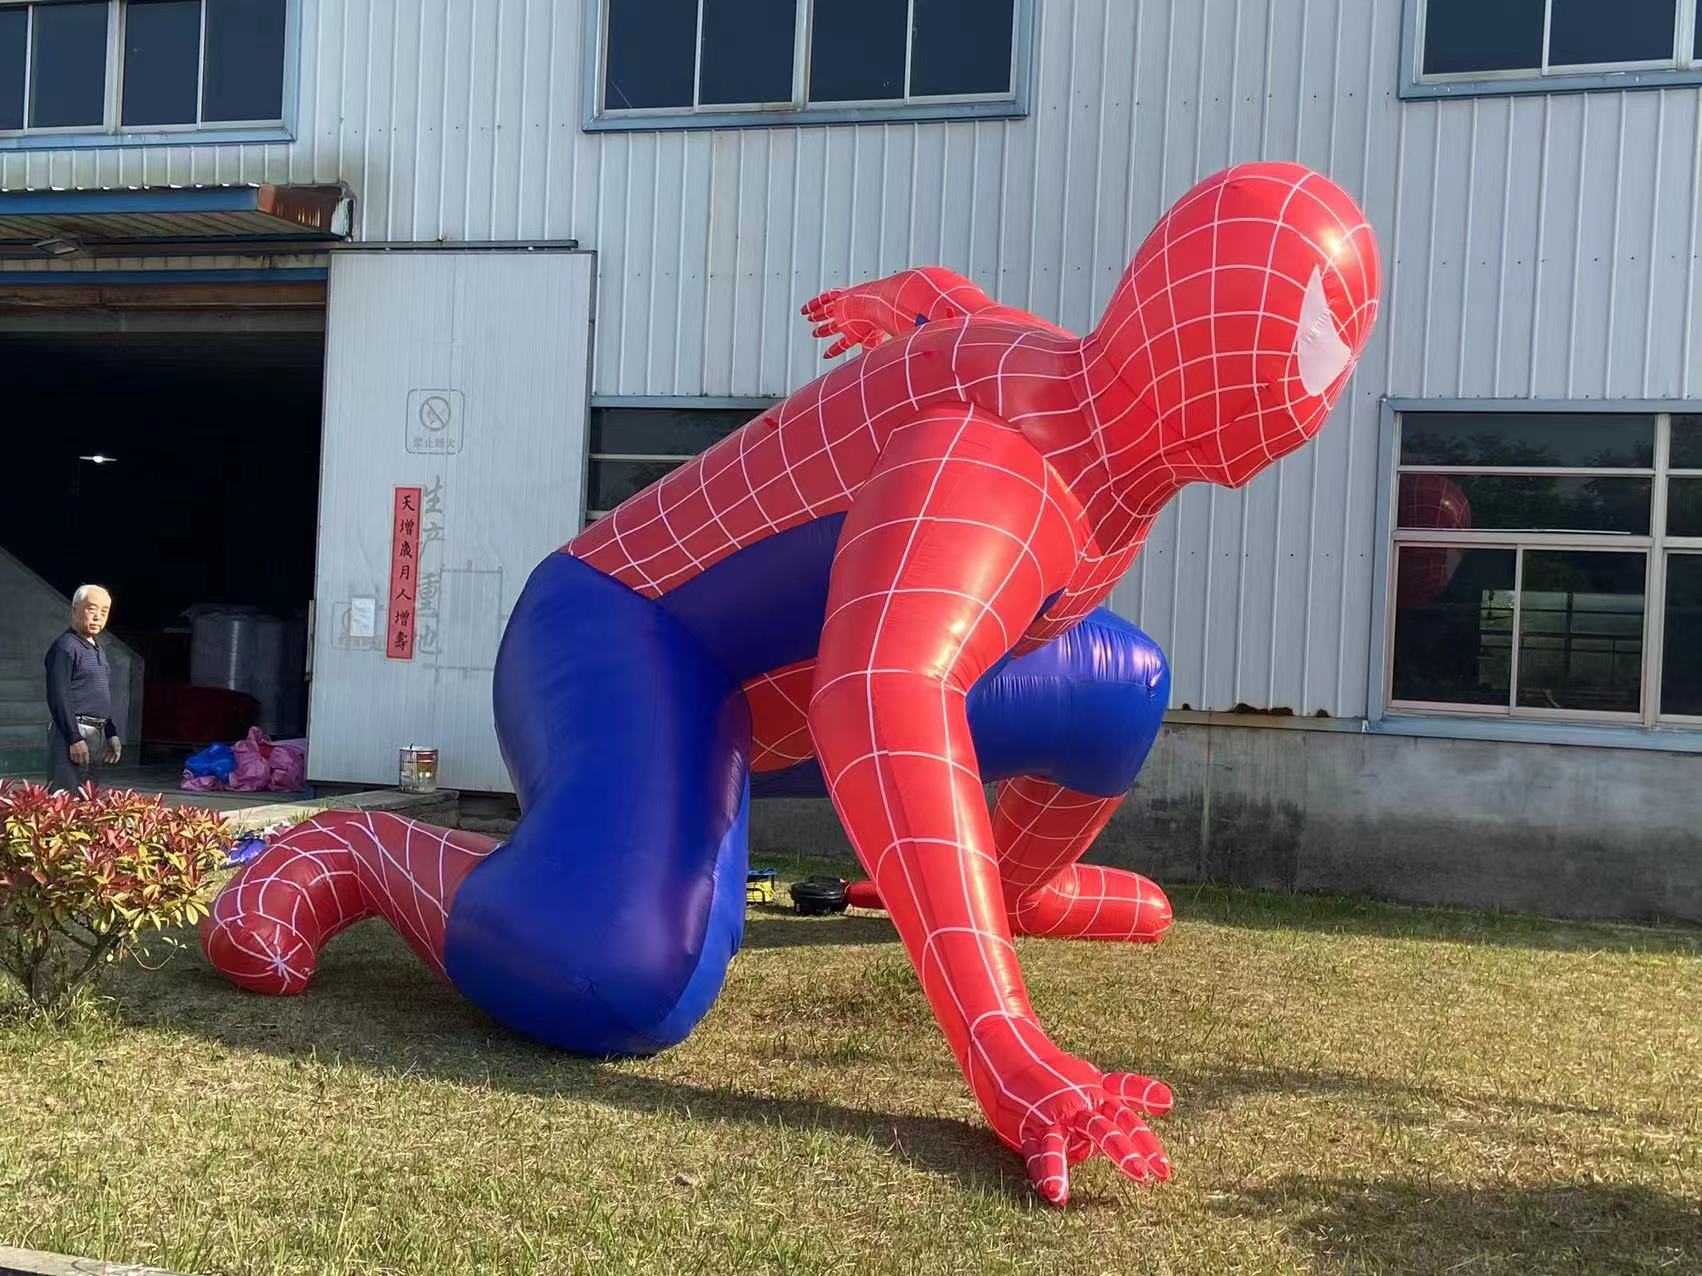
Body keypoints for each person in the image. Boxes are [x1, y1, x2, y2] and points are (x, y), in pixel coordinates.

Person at [203, 163, 1380, 1205]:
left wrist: (896, 302)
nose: (1319, 391)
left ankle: (1015, 885)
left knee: (1123, 687)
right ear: (1190, 321)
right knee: (623, 974)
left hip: (807, 676)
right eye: (1310, 345)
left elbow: (951, 304)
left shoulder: (1085, 399)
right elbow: (884, 701)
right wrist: (1005, 1043)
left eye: (1338, 346)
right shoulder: (1000, 468)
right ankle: (364, 853)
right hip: (630, 638)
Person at [45, 584, 122, 794]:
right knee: (65, 798)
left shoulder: (98, 649)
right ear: (74, 610)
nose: (98, 617)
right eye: (91, 609)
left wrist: (110, 732)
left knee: (88, 798)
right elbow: (58, 695)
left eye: (104, 611)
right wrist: (74, 737)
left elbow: (98, 695)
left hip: (96, 734)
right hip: (72, 732)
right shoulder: (65, 646)